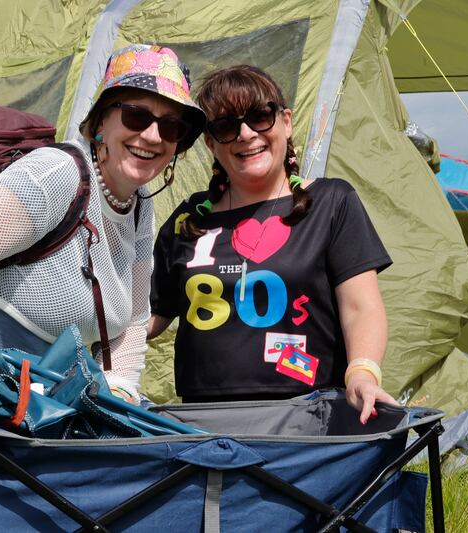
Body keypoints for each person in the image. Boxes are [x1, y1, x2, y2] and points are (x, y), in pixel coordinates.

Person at [0, 44, 206, 532]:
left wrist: (121, 389)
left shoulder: (140, 207)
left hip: (46, 405)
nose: (152, 135)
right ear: (100, 121)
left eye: (171, 127)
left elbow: (132, 318)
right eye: (136, 115)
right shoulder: (57, 175)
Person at [148, 64, 396, 424]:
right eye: (226, 126)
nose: (246, 134)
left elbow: (362, 308)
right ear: (210, 143)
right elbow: (148, 316)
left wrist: (362, 373)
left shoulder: (332, 202)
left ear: (286, 121)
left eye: (260, 116)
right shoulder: (189, 220)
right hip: (202, 421)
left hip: (309, 415)